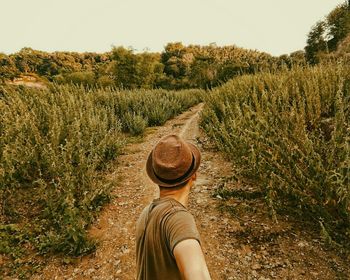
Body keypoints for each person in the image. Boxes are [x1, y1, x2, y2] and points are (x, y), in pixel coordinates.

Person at [136, 134, 211, 280]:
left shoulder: (146, 213)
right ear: (194, 176)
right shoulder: (179, 218)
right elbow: (198, 275)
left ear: (157, 180)